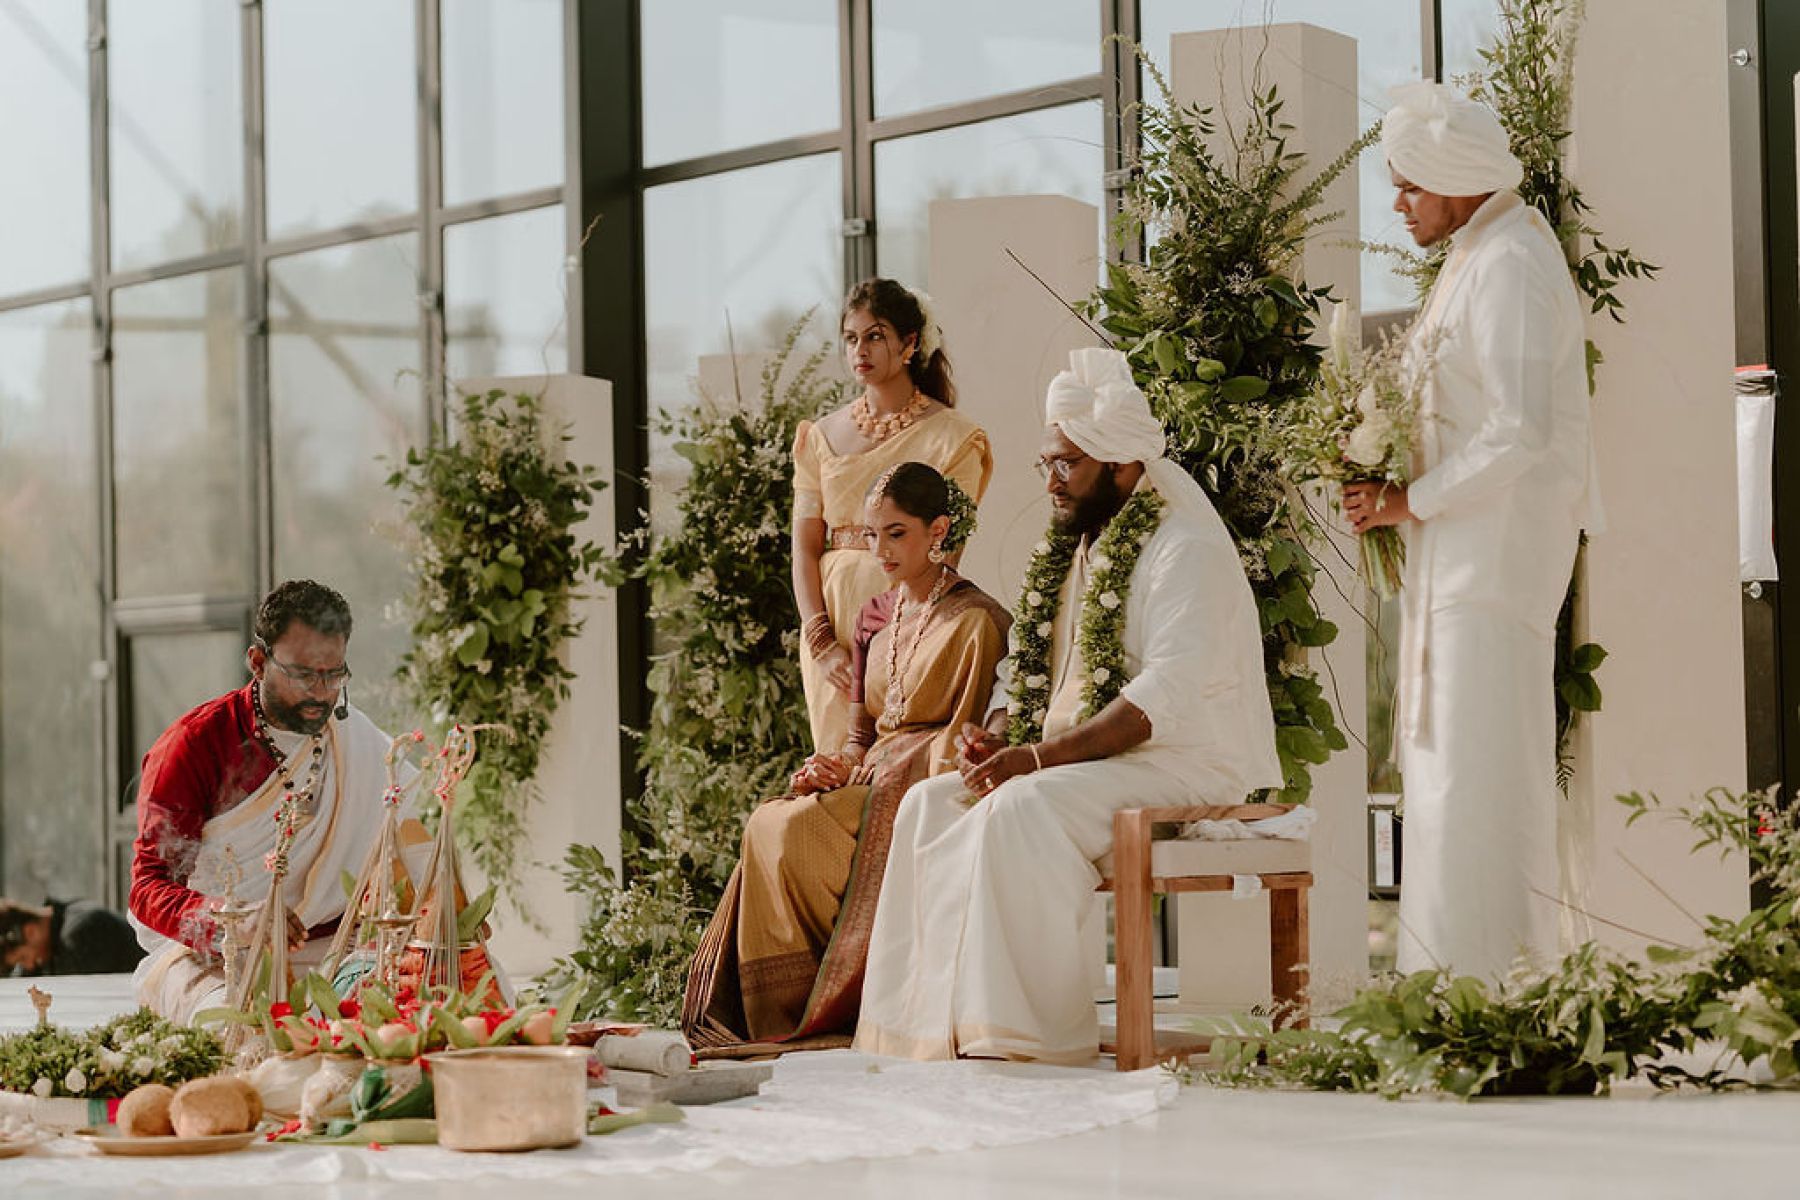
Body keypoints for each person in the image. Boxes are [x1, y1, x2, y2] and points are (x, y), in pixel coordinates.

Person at [853, 349, 1281, 1064]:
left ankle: (1027, 1036)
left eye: (1066, 464)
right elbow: (1026, 669)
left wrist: (1037, 759)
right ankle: (925, 1027)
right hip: (1085, 761)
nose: (1050, 480)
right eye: (1046, 462)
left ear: (1119, 466)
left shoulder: (1186, 547)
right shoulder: (1080, 546)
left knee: (1025, 806)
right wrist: (996, 737)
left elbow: (1161, 700)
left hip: (1184, 763)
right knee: (930, 803)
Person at [1343, 82, 1601, 980]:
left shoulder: (1512, 263)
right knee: (1449, 776)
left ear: (1454, 177)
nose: (1399, 202)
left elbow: (1521, 428)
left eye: (1409, 183)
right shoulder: (1478, 254)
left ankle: (1497, 992)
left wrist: (1410, 498)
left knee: (1483, 776)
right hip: (1457, 563)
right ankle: (1449, 990)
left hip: (1493, 569)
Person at [685, 462, 1010, 1055]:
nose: (879, 550)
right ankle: (778, 1010)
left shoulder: (977, 621)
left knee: (796, 828)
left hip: (921, 788)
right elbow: (860, 733)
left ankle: (838, 1000)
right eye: (870, 534)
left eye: (896, 533)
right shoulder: (872, 617)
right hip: (874, 773)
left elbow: (970, 734)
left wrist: (881, 768)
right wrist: (835, 765)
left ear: (938, 530)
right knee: (771, 818)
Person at [128, 580, 431, 1023]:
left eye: (334, 675)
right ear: (257, 661)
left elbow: (410, 837)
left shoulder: (355, 741)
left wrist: (448, 910)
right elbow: (146, 888)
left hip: (337, 950)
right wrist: (232, 921)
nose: (321, 692)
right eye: (304, 675)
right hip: (218, 953)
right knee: (234, 1024)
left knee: (443, 995)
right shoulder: (195, 745)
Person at [794, 278, 993, 755]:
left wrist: (895, 635)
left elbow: (945, 552)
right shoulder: (820, 436)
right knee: (833, 767)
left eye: (875, 335)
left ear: (909, 344)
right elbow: (804, 545)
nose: (860, 349)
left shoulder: (953, 438)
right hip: (830, 622)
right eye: (851, 338)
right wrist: (820, 640)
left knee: (888, 761)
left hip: (903, 617)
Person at [1, 898, 145, 976]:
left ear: (31, 932)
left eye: (23, 958)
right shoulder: (68, 922)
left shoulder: (81, 933)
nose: (29, 965)